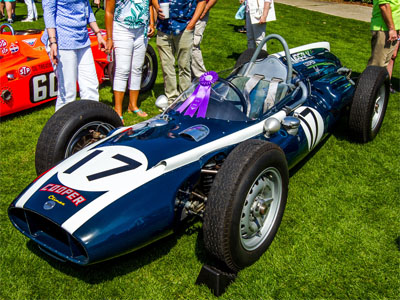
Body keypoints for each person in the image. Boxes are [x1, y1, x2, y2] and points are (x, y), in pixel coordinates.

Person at [41, 0, 106, 111]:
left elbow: (86, 8)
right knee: (67, 91)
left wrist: (98, 33)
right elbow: (49, 11)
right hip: (62, 40)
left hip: (83, 40)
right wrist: (53, 42)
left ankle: (90, 123)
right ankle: (60, 126)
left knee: (91, 86)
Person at [105, 0, 155, 120]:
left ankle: (133, 105)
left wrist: (152, 23)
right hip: (122, 30)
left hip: (141, 31)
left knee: (137, 68)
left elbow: (149, 4)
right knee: (122, 69)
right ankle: (118, 110)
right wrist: (109, 38)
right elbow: (109, 11)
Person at [153, 0, 206, 104]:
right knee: (167, 66)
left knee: (184, 66)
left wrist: (191, 24)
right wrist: (156, 7)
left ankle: (185, 99)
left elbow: (202, 2)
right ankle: (171, 99)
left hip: (184, 27)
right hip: (163, 28)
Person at [367, 0, 399, 80]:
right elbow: (384, 6)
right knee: (376, 66)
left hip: (392, 30)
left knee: (384, 65)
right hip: (384, 29)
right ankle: (367, 91)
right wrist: (391, 29)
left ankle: (379, 90)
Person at [191, 0, 217, 79]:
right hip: (185, 11)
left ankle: (202, 78)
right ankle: (190, 80)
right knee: (184, 45)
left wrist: (205, 9)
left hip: (200, 10)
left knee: (193, 44)